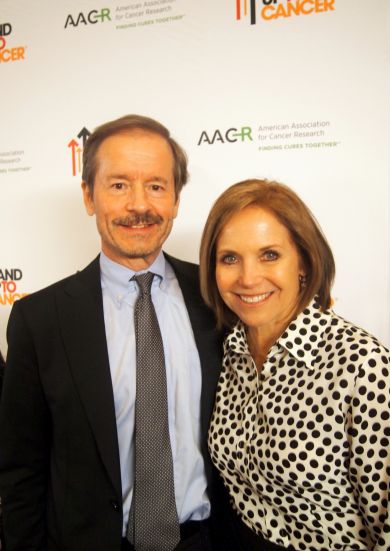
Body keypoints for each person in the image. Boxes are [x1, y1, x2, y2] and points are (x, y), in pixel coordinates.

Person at [0, 115, 227, 551]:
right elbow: (21, 470)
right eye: (119, 185)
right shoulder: (39, 319)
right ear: (89, 196)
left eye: (157, 186)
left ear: (176, 199)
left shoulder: (217, 298)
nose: (139, 205)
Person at [199, 179, 390, 551]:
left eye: (269, 255)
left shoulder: (361, 365)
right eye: (230, 258)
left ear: (303, 260)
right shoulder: (227, 351)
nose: (248, 278)